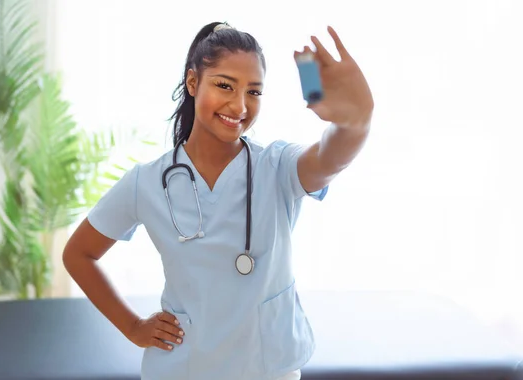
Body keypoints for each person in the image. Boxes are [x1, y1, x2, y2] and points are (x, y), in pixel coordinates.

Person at [63, 21, 373, 380]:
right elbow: (78, 254)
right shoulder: (146, 182)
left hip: (266, 371)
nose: (240, 105)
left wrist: (354, 124)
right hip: (183, 370)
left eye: (254, 92)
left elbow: (328, 160)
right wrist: (133, 327)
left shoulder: (278, 167)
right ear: (193, 83)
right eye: (224, 85)